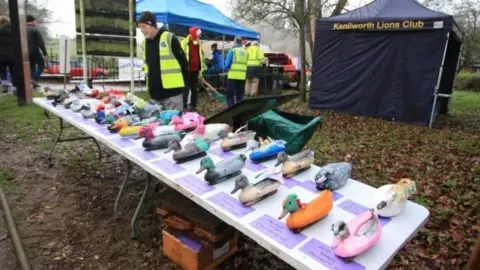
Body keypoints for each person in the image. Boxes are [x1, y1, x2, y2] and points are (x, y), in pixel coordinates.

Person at [138, 11, 189, 111]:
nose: (141, 30)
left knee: (174, 126)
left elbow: (184, 64)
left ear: (151, 24)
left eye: (143, 26)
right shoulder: (145, 43)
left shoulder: (169, 38)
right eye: (140, 27)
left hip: (172, 96)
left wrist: (184, 88)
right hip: (154, 97)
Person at [180, 27, 206, 111]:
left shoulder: (199, 43)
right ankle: (184, 106)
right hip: (187, 69)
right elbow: (180, 56)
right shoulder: (184, 43)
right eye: (198, 35)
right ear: (194, 35)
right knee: (186, 88)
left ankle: (193, 106)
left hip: (195, 69)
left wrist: (200, 72)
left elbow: (200, 57)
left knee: (194, 89)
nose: (199, 37)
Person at [224, 36, 248, 107]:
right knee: (240, 95)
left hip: (233, 76)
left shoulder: (232, 51)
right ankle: (239, 110)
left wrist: (226, 69)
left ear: (234, 41)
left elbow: (227, 64)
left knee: (229, 95)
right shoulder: (245, 51)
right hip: (242, 77)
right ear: (241, 42)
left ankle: (231, 110)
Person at [26, 15, 47, 89]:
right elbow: (40, 43)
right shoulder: (35, 30)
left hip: (25, 51)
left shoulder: (22, 30)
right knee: (41, 64)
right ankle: (34, 78)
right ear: (33, 21)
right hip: (34, 50)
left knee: (32, 66)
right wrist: (45, 53)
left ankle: (33, 82)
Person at [0, 16, 14, 93]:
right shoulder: (12, 32)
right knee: (12, 71)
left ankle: (5, 87)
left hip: (1, 55)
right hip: (12, 55)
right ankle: (15, 85)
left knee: (2, 71)